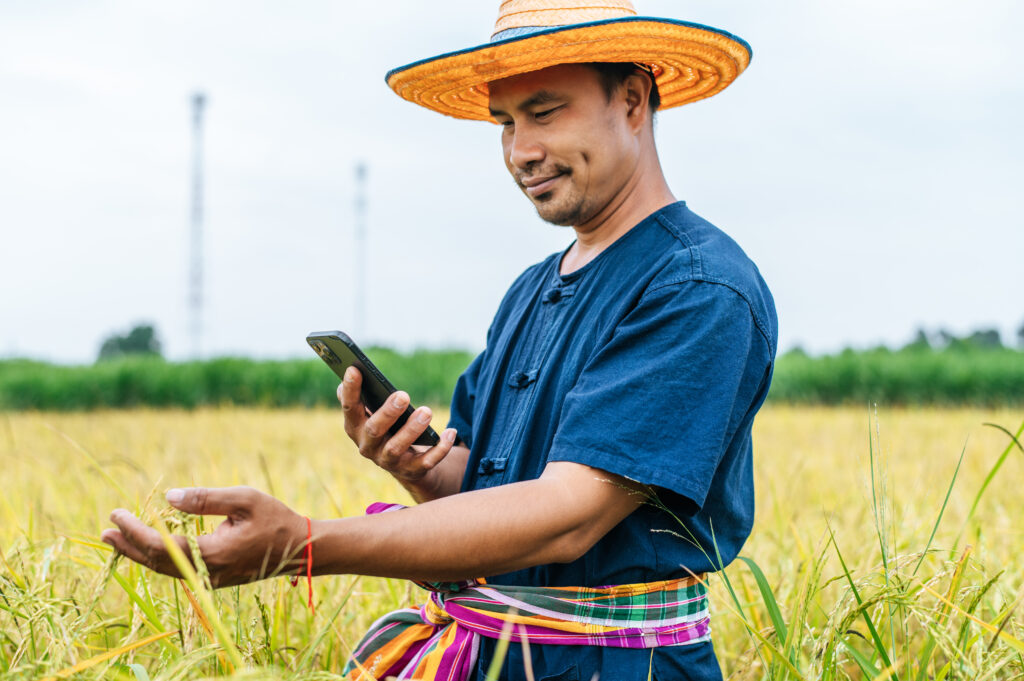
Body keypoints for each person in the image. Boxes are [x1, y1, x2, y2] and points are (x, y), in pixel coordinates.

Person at [102, 2, 778, 679]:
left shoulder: (696, 286)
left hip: (620, 664)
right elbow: (491, 487)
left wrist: (305, 544)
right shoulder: (531, 289)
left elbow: (566, 516)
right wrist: (419, 467)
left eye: (544, 113)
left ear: (632, 99)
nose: (521, 151)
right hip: (485, 654)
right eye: (506, 123)